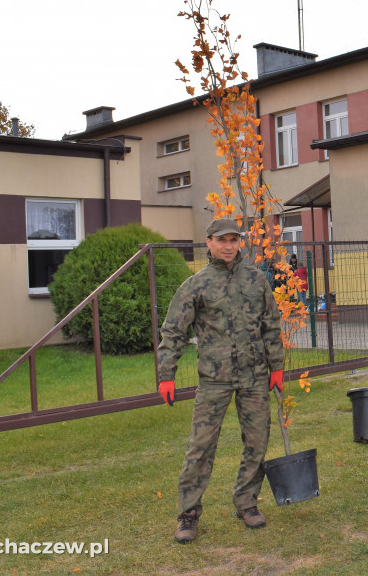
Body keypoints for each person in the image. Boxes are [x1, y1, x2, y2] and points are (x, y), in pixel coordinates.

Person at [156, 218, 284, 543]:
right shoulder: (196, 285)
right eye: (221, 240)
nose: (228, 246)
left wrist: (277, 367)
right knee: (200, 448)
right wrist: (166, 375)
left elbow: (270, 325)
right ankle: (188, 514)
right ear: (209, 242)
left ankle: (246, 501)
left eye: (233, 240)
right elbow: (173, 331)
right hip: (214, 380)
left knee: (257, 442)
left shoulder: (257, 279)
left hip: (254, 377)